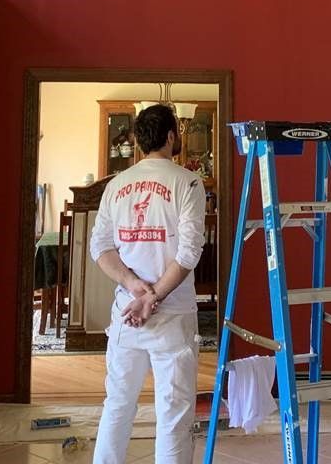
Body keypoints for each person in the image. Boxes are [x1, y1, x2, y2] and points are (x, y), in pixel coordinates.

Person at [89, 103, 207, 464]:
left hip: (127, 311)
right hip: (170, 316)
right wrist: (152, 294)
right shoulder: (187, 181)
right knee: (173, 412)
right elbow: (189, 253)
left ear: (139, 141)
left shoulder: (116, 185)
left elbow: (100, 247)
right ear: (171, 136)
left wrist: (133, 285)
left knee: (119, 405)